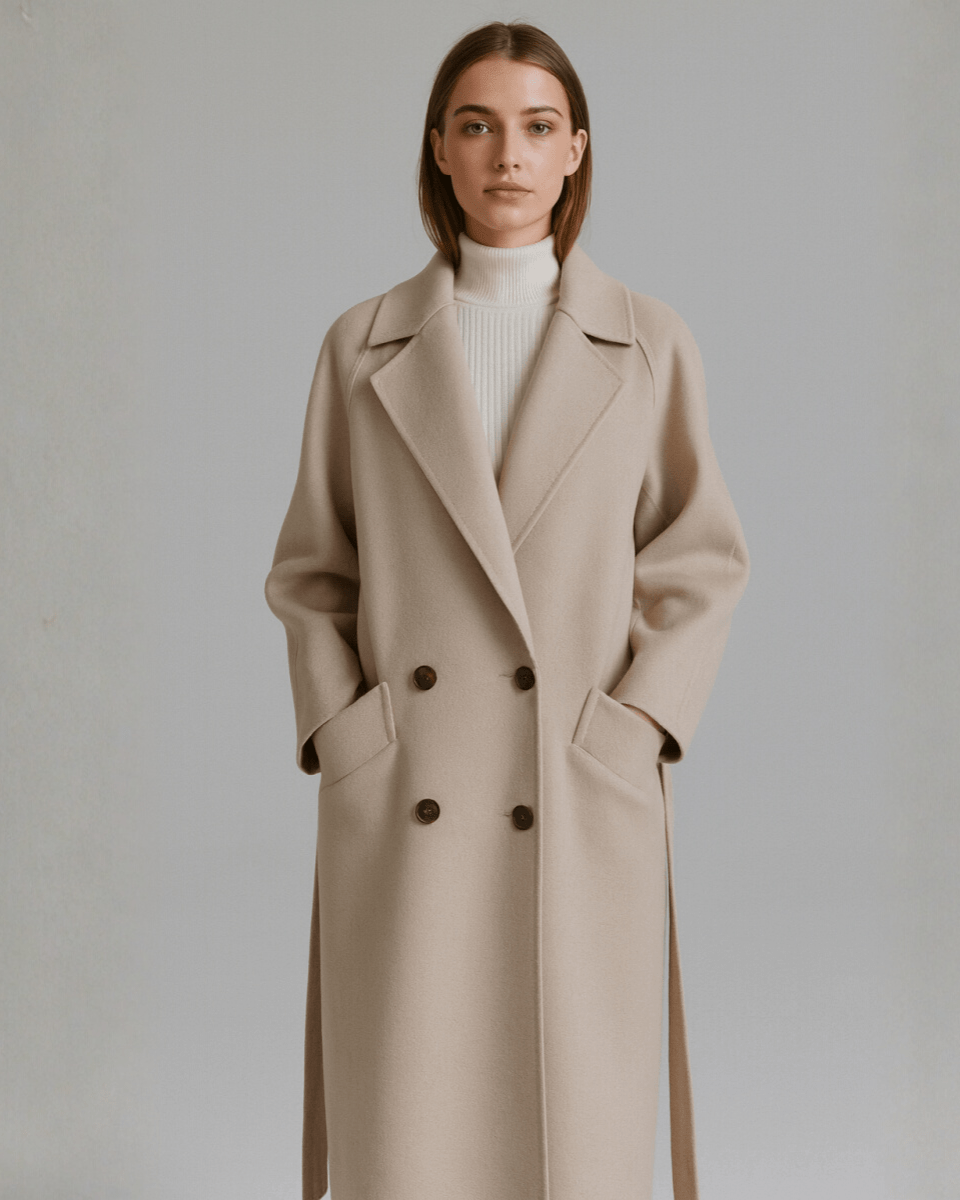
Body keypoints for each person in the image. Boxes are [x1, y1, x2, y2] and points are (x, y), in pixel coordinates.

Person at [265, 20, 749, 1200]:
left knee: (573, 1125)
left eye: (538, 126)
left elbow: (699, 561)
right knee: (408, 1126)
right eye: (477, 126)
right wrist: (347, 733)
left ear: (578, 147)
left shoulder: (647, 345)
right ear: (439, 147)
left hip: (574, 787)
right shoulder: (361, 347)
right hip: (411, 792)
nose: (508, 156)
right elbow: (313, 572)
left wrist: (634, 727)